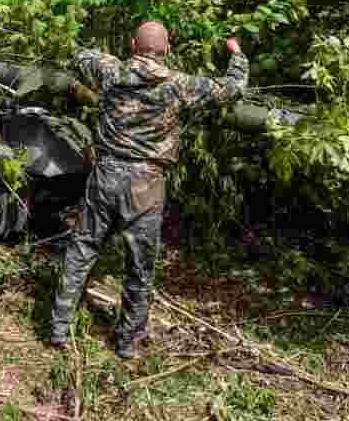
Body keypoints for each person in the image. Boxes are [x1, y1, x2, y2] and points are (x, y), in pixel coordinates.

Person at [51, 20, 249, 359]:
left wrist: (92, 45)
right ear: (167, 48)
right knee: (139, 267)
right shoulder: (179, 84)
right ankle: (127, 343)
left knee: (82, 249)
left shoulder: (110, 71)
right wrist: (237, 55)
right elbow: (231, 89)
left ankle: (57, 330)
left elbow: (79, 56)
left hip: (106, 174)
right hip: (146, 182)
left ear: (132, 45)